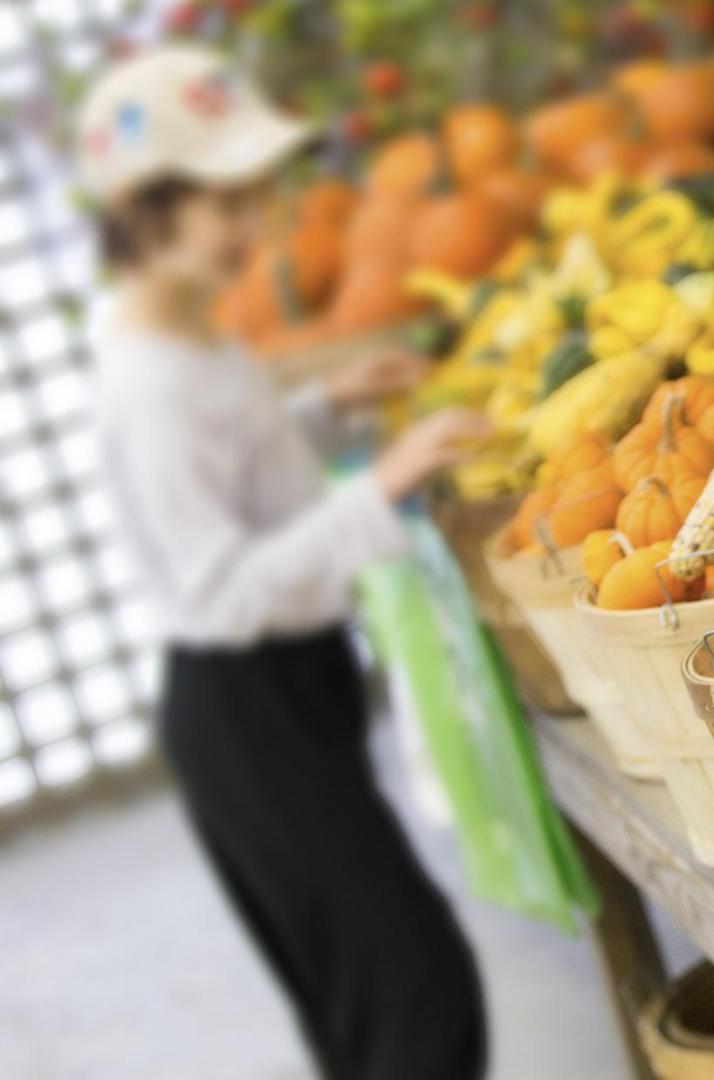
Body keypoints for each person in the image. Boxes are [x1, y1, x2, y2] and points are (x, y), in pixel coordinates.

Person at [77, 45, 490, 1080]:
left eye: (255, 198)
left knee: (363, 996)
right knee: (414, 990)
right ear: (142, 207)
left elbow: (244, 484)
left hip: (282, 691)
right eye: (227, 205)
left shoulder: (187, 337)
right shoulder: (151, 386)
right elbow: (221, 590)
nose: (255, 231)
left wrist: (325, 408)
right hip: (242, 705)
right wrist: (382, 485)